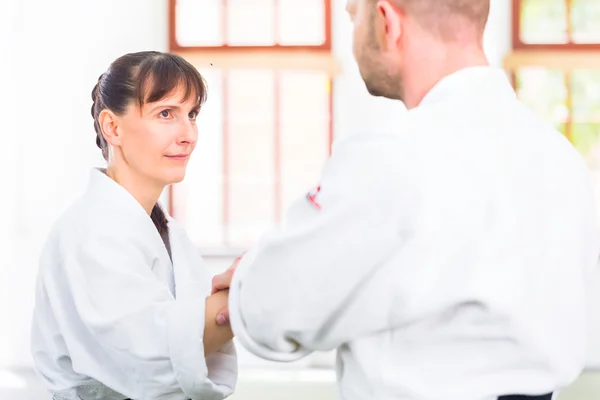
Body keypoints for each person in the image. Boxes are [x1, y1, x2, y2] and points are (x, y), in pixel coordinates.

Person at [211, 0, 600, 399]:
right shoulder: (560, 158)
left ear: (385, 21)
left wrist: (252, 273)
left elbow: (270, 309)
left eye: (353, 16)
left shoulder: (390, 158)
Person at [30, 51, 237, 400]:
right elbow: (153, 354)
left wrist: (239, 292)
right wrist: (246, 298)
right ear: (113, 127)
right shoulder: (91, 231)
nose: (188, 135)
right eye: (166, 113)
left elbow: (192, 344)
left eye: (192, 114)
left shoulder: (165, 230)